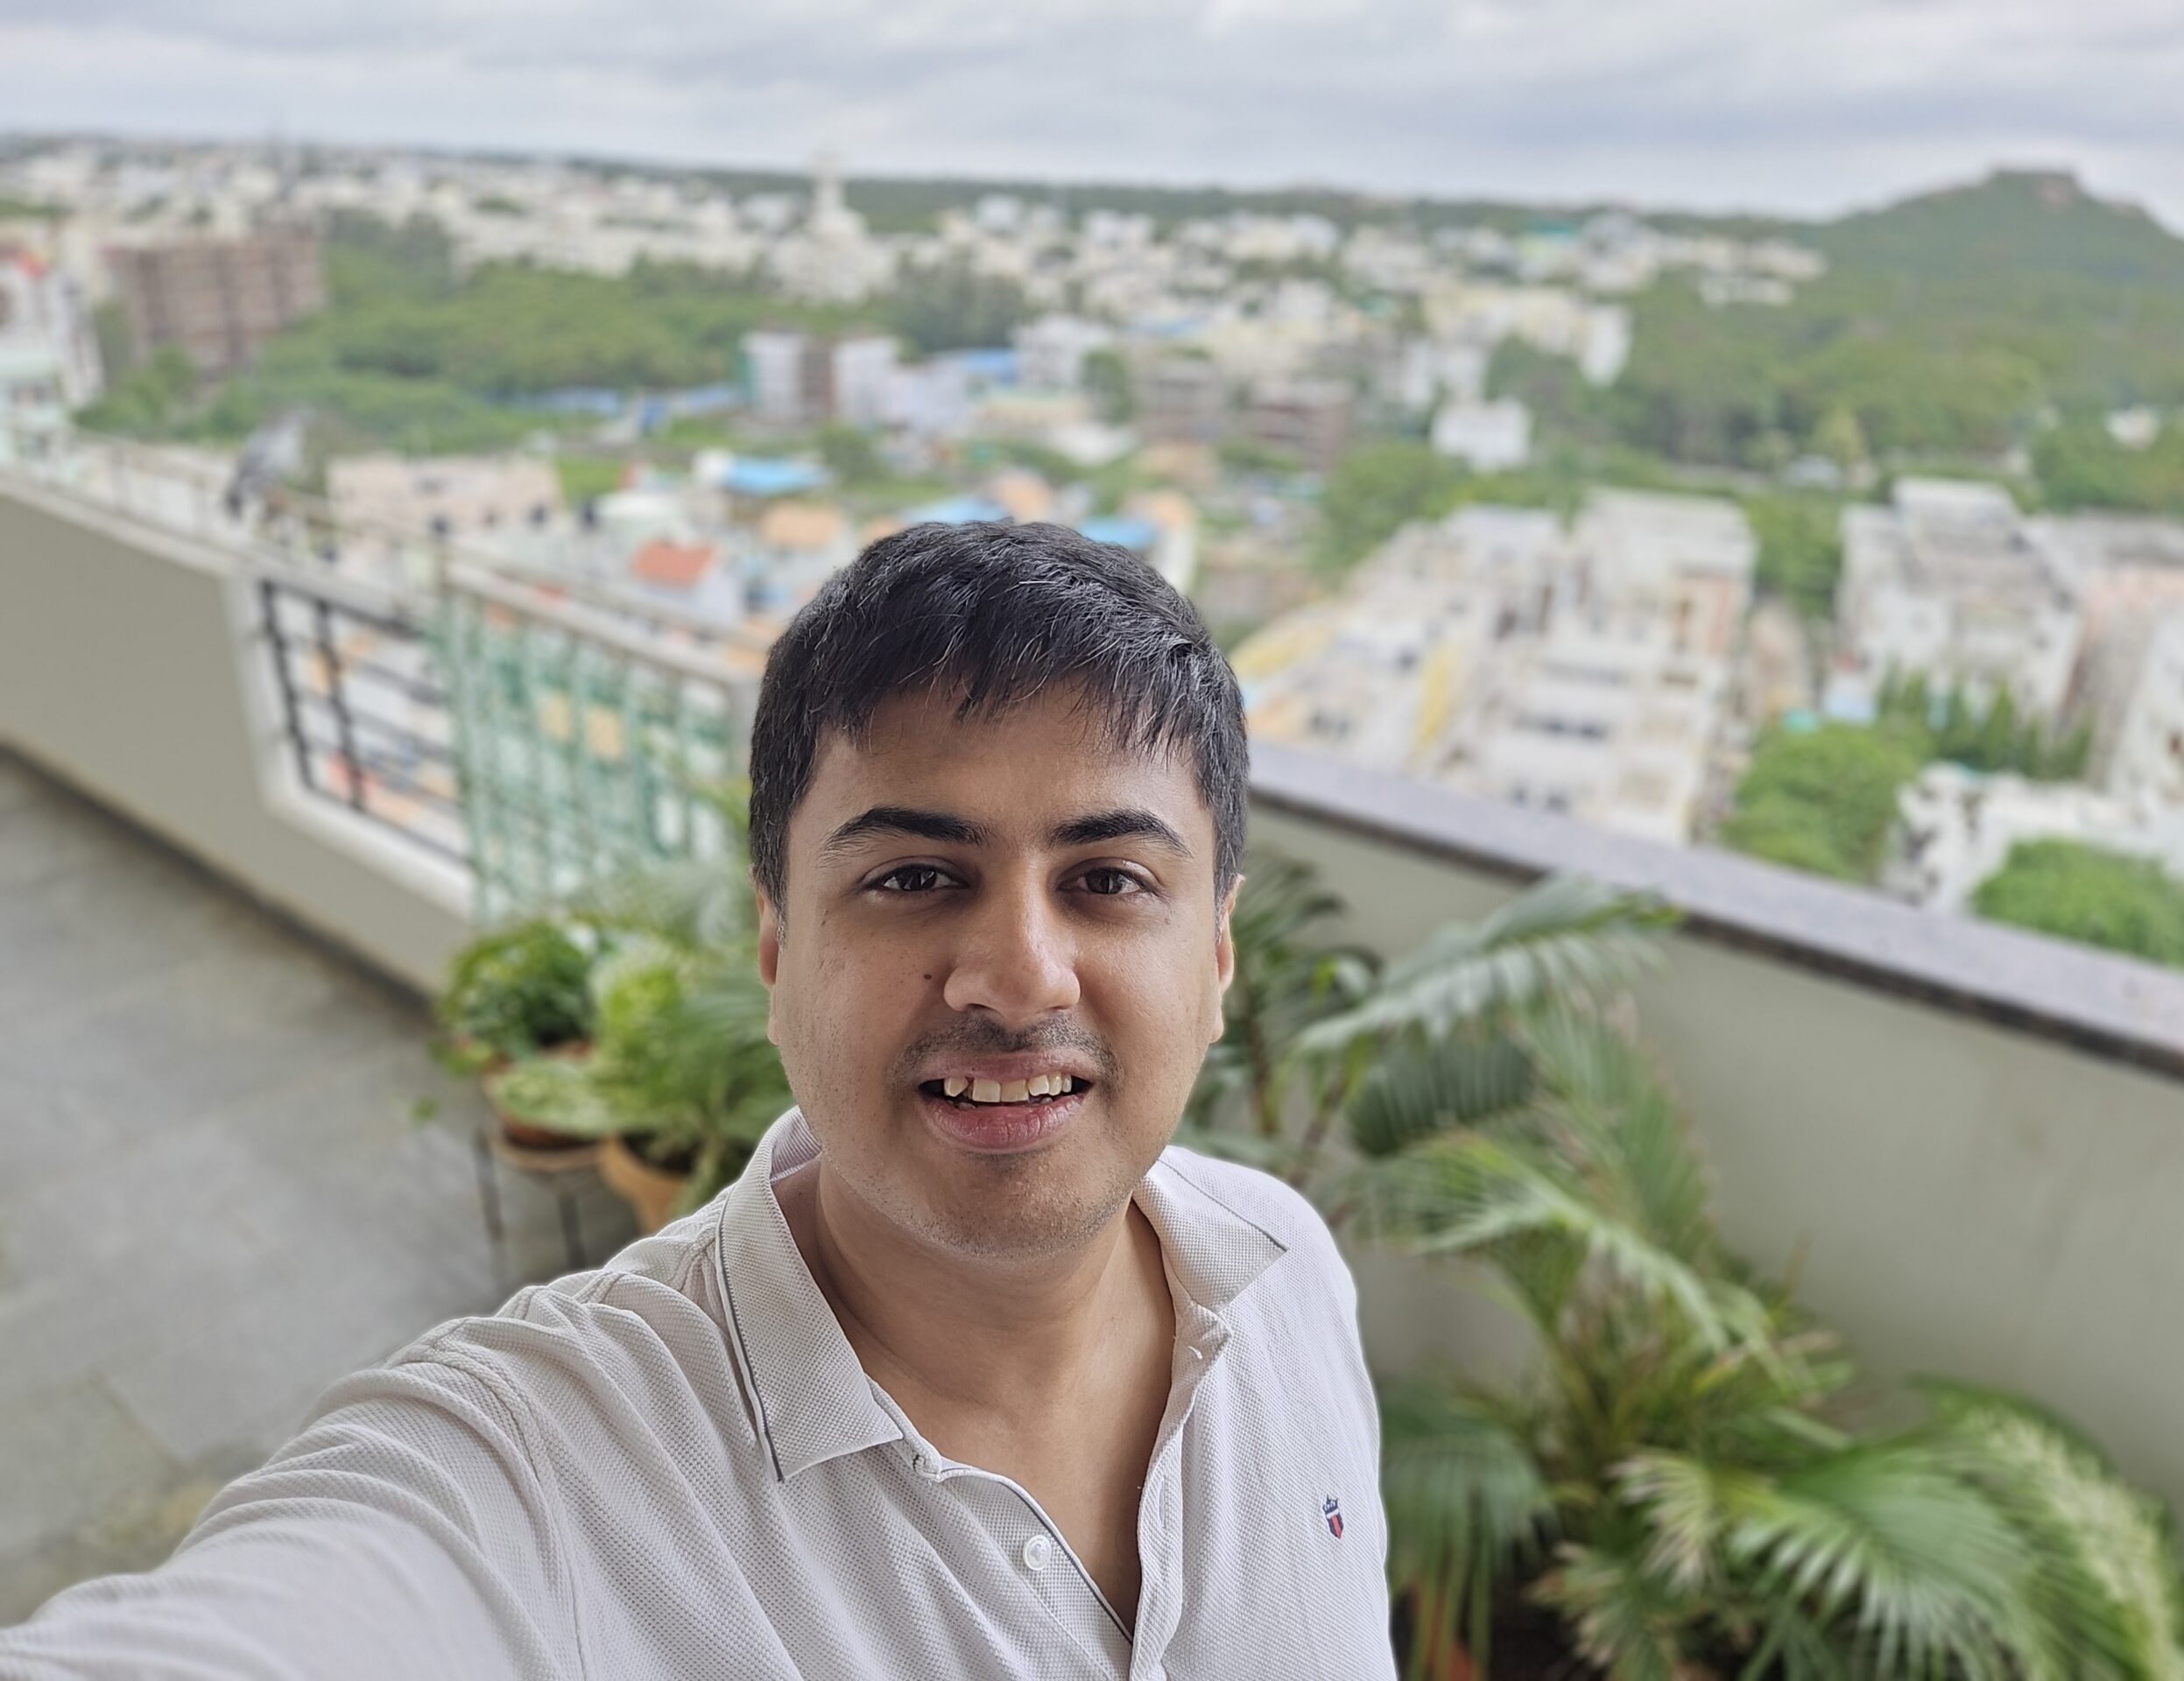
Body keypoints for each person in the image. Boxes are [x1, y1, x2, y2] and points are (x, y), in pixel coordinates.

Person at [0, 521, 1395, 1678]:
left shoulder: (1288, 1273)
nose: (1019, 974)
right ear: (778, 954)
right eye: (915, 877)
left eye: (1109, 880)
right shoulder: (550, 1477)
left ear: (1217, 959)